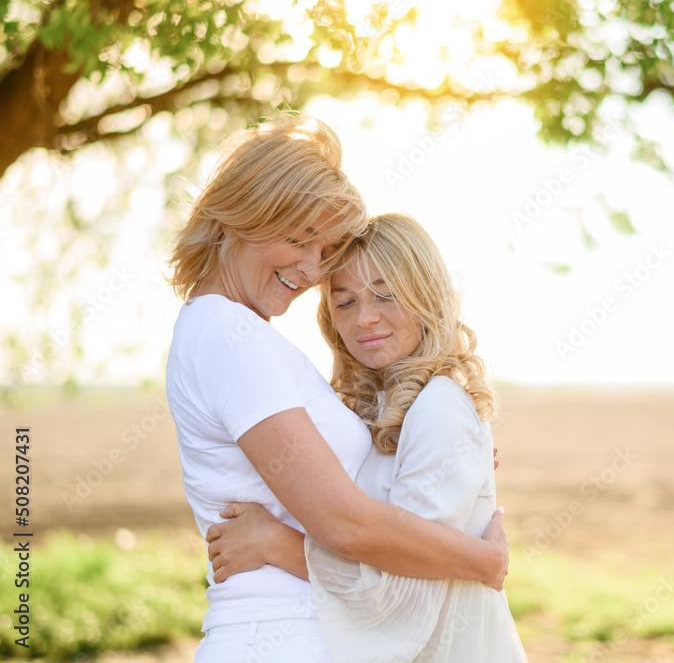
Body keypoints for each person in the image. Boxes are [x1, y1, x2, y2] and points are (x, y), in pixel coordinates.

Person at [164, 116, 508, 663]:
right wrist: (483, 561)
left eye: (322, 251)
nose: (310, 271)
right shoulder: (230, 338)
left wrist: (441, 451)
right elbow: (342, 522)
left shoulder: (235, 335)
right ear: (242, 215)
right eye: (300, 240)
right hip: (277, 637)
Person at [208, 212, 529, 662]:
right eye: (345, 302)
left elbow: (402, 595)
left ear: (426, 296)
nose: (365, 319)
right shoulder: (381, 411)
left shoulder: (438, 406)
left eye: (385, 295)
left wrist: (276, 544)